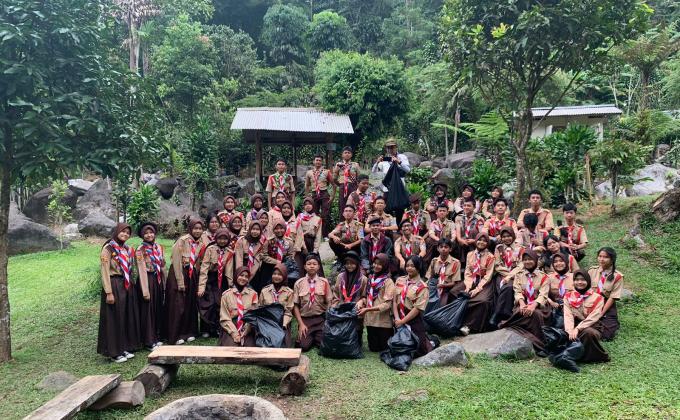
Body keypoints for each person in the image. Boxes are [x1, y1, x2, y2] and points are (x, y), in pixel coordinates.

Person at [98, 223, 141, 362]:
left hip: (126, 284)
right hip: (114, 284)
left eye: (128, 232)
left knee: (125, 316)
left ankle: (123, 347)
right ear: (117, 232)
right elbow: (104, 271)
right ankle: (114, 352)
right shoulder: (108, 248)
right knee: (114, 318)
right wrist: (109, 292)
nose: (125, 234)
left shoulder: (127, 249)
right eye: (123, 231)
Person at [499, 250, 551, 353]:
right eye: (525, 260)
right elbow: (517, 291)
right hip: (523, 303)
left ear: (535, 260)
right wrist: (522, 304)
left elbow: (543, 295)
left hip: (539, 305)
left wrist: (533, 306)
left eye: (530, 259)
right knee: (520, 312)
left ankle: (540, 344)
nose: (527, 262)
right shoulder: (519, 275)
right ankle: (525, 334)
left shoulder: (544, 276)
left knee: (536, 314)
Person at [166, 218, 205, 345]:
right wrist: (180, 281)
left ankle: (188, 332)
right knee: (178, 305)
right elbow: (176, 261)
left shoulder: (201, 242)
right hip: (179, 273)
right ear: (190, 229)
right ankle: (175, 334)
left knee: (189, 303)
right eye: (195, 228)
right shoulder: (182, 241)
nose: (197, 231)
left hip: (191, 274)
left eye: (200, 229)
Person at [563, 270, 610, 363]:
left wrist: (578, 329)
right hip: (573, 325)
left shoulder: (598, 298)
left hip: (592, 325)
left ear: (588, 281)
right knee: (563, 334)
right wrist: (570, 330)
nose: (579, 282)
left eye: (582, 280)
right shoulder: (568, 296)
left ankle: (586, 357)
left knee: (589, 333)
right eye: (576, 280)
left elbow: (594, 317)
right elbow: (568, 315)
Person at [198, 228, 235, 338]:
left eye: (225, 239)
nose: (222, 241)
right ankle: (205, 329)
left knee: (219, 303)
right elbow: (204, 268)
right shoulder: (210, 249)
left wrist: (231, 285)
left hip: (222, 280)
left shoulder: (230, 252)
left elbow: (229, 270)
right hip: (210, 279)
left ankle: (218, 328)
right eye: (220, 239)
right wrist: (202, 286)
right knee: (208, 302)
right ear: (216, 239)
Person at [293, 254, 334, 351]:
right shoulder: (299, 283)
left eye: (314, 264)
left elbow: (329, 302)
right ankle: (310, 336)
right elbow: (295, 306)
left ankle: (317, 336)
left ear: (318, 266)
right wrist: (301, 324)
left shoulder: (324, 282)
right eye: (309, 264)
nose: (312, 266)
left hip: (320, 319)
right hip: (305, 320)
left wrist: (327, 321)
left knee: (324, 344)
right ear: (304, 266)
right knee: (303, 346)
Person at [393, 256, 432, 357]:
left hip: (412, 319)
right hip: (398, 316)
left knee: (419, 350)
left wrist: (402, 321)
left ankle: (431, 341)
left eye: (413, 266)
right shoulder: (400, 280)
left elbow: (417, 309)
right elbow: (394, 301)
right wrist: (397, 318)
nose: (409, 268)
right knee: (397, 346)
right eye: (407, 265)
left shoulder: (423, 287)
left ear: (419, 267)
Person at [135, 222, 165, 350]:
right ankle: (148, 341)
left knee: (157, 307)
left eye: (151, 232)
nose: (149, 235)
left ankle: (156, 336)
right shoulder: (140, 250)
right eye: (146, 233)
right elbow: (141, 269)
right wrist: (145, 290)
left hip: (157, 279)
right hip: (146, 280)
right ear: (142, 235)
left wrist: (164, 283)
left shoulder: (159, 247)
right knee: (147, 310)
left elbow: (162, 265)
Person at [488, 226, 526, 327]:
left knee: (508, 287)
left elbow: (521, 265)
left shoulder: (520, 248)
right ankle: (501, 314)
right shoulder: (499, 248)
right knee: (502, 287)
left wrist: (510, 275)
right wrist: (507, 274)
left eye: (509, 236)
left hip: (516, 275)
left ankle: (497, 314)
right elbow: (497, 265)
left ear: (513, 236)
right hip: (502, 274)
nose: (506, 238)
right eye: (504, 237)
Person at [358, 253, 395, 352]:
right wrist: (362, 301)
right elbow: (366, 296)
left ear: (385, 265)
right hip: (370, 320)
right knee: (373, 348)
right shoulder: (370, 278)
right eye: (375, 263)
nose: (376, 266)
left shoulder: (388, 282)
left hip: (382, 321)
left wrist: (368, 309)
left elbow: (387, 304)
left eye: (379, 264)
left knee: (384, 348)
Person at [460, 233, 495, 335]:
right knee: (455, 292)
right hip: (471, 280)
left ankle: (469, 326)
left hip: (483, 282)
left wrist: (477, 289)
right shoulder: (470, 254)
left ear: (487, 243)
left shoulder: (490, 257)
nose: (481, 242)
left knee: (482, 301)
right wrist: (468, 286)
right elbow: (467, 271)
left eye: (484, 241)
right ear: (475, 241)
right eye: (479, 240)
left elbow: (488, 276)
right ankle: (456, 320)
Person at [587, 247, 624, 341]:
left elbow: (612, 297)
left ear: (612, 259)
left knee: (607, 334)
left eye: (605, 257)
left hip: (606, 304)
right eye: (600, 256)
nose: (601, 259)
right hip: (591, 301)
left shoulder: (617, 276)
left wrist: (601, 313)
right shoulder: (592, 271)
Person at [332, 252, 368, 345]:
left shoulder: (363, 279)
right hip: (342, 308)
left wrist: (361, 301)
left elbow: (365, 295)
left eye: (352, 263)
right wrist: (335, 305)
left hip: (355, 310)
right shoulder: (340, 277)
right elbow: (336, 293)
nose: (349, 266)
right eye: (347, 263)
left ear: (357, 264)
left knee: (356, 340)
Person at [371, 137, 410, 221]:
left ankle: (399, 226)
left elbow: (408, 170)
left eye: (392, 147)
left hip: (399, 189)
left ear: (396, 147)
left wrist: (399, 162)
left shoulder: (402, 157)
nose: (390, 149)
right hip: (387, 189)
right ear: (386, 148)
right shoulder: (384, 160)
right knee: (388, 210)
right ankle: (388, 228)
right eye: (388, 147)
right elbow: (373, 173)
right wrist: (377, 162)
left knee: (400, 210)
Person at [219, 267, 258, 346]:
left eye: (246, 276)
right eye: (241, 275)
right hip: (231, 326)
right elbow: (224, 317)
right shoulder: (226, 295)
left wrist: (246, 330)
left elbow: (254, 315)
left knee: (249, 348)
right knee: (231, 347)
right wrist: (234, 334)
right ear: (236, 276)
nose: (243, 278)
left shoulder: (253, 294)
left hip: (247, 326)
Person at [259, 263, 295, 347]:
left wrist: (283, 325)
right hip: (267, 321)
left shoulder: (289, 292)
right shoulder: (264, 291)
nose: (276, 276)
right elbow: (260, 308)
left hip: (282, 322)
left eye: (279, 274)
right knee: (265, 344)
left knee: (284, 344)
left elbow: (288, 312)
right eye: (274, 274)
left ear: (284, 276)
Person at [425, 238, 463, 306]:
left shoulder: (456, 263)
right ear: (438, 248)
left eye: (446, 247)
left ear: (450, 249)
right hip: (434, 288)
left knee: (441, 305)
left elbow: (454, 283)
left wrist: (442, 285)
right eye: (441, 247)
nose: (443, 249)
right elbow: (429, 277)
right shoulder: (434, 261)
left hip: (447, 289)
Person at [305, 155, 335, 237]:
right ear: (313, 161)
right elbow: (307, 185)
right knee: (314, 214)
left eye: (319, 160)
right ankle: (315, 233)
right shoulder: (309, 172)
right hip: (314, 193)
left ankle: (324, 235)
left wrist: (332, 196)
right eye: (316, 160)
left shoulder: (326, 172)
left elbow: (333, 184)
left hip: (324, 193)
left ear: (322, 162)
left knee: (325, 215)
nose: (318, 162)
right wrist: (307, 197)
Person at [293, 196, 323, 275]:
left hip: (312, 243)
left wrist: (315, 250)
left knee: (314, 264)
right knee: (301, 265)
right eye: (305, 204)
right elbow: (299, 232)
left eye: (309, 204)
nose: (308, 206)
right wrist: (304, 247)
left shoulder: (318, 219)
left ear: (313, 205)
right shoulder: (300, 217)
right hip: (302, 242)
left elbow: (318, 235)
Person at [235, 221, 266, 292]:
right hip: (242, 268)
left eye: (257, 229)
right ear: (249, 229)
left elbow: (258, 260)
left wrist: (250, 276)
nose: (255, 231)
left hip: (255, 271)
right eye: (253, 229)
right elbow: (239, 259)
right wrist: (240, 274)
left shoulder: (262, 243)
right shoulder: (242, 240)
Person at [455, 197, 484, 265]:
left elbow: (481, 234)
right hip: (462, 242)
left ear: (474, 207)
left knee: (473, 230)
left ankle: (474, 261)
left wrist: (474, 240)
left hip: (474, 241)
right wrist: (460, 240)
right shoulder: (459, 217)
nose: (466, 207)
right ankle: (460, 263)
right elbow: (458, 233)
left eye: (468, 206)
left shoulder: (479, 219)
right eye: (464, 205)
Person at [333, 146, 361, 215]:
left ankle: (354, 220)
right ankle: (342, 220)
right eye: (345, 153)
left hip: (353, 187)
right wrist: (341, 185)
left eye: (349, 153)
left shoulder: (355, 165)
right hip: (342, 187)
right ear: (342, 155)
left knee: (354, 204)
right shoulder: (338, 165)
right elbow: (334, 178)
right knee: (342, 205)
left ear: (351, 155)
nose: (347, 154)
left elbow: (359, 178)